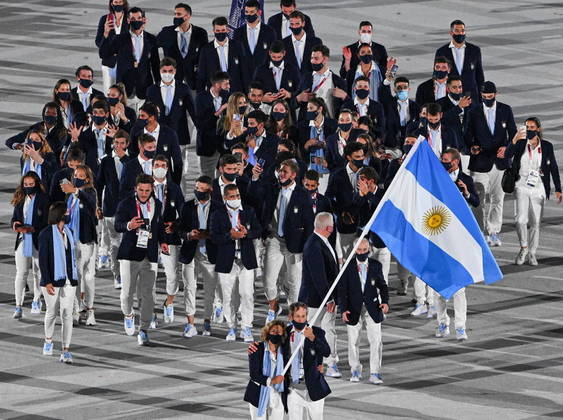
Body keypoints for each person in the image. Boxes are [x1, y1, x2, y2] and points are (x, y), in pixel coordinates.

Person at [249, 159, 314, 323]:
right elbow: (254, 197)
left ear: (294, 174)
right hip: (275, 240)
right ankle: (273, 306)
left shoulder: (302, 194)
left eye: (285, 171)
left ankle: (294, 316)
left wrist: (306, 249)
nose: (281, 174)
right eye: (280, 171)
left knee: (295, 282)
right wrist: (255, 178)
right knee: (268, 280)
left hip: (295, 245)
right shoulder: (272, 189)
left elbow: (309, 223)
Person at [431, 148, 481, 341]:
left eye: (445, 160)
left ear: (455, 162)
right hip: (440, 237)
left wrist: (466, 193)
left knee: (459, 288)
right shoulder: (436, 179)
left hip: (459, 239)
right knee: (439, 286)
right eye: (442, 159)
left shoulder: (465, 179)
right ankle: (442, 323)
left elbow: (476, 202)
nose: (442, 163)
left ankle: (461, 326)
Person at [114, 174, 167, 345]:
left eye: (147, 190)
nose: (144, 193)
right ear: (135, 189)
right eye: (141, 190)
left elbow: (159, 227)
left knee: (148, 295)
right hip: (129, 254)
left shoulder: (157, 205)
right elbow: (118, 225)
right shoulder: (126, 204)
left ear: (152, 189)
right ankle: (128, 314)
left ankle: (143, 329)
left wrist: (163, 242)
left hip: (149, 255)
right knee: (127, 293)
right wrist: (130, 225)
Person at [464, 81, 516, 246]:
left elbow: (514, 135)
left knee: (497, 199)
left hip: (500, 163)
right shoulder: (473, 112)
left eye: (490, 97)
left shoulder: (505, 110)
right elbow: (466, 135)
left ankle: (493, 232)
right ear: (481, 96)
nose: (487, 99)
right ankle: (479, 232)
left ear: (496, 94)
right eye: (484, 97)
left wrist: (507, 149)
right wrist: (471, 148)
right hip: (480, 162)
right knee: (478, 199)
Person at [506, 118, 562, 266]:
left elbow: (554, 168)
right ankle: (523, 248)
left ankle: (532, 253)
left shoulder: (547, 146)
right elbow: (507, 155)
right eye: (527, 127)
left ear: (538, 129)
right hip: (521, 184)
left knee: (536, 222)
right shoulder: (519, 144)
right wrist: (514, 139)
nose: (529, 129)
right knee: (520, 220)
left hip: (538, 186)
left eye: (532, 127)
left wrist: (558, 189)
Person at [210, 184, 262, 341]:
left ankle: (246, 327)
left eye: (237, 195)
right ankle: (231, 327)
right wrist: (230, 236)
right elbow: (214, 237)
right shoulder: (217, 214)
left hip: (245, 260)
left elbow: (259, 230)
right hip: (227, 261)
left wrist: (247, 233)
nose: (235, 199)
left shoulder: (249, 211)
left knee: (247, 294)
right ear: (225, 198)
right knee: (228, 296)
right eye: (232, 196)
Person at [339, 237, 389, 384]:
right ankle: (355, 369)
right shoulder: (347, 267)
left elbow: (383, 286)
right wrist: (343, 309)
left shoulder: (375, 265)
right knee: (353, 341)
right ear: (354, 251)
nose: (361, 253)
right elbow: (342, 290)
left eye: (364, 250)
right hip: (353, 309)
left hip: (373, 308)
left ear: (369, 250)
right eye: (358, 250)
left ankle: (375, 372)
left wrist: (385, 302)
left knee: (376, 341)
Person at [298, 212, 340, 377]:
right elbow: (318, 276)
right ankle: (303, 365)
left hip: (325, 298)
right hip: (315, 300)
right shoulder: (314, 245)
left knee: (329, 330)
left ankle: (331, 364)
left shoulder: (321, 241)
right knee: (309, 333)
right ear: (329, 227)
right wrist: (328, 298)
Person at [38, 202, 79, 363]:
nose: (68, 214)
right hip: (52, 281)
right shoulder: (46, 234)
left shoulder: (69, 232)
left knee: (67, 314)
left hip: (69, 280)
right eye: (66, 212)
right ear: (59, 214)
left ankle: (66, 349)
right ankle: (48, 340)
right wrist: (47, 281)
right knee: (51, 312)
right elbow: (43, 260)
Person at [178, 176, 219, 336]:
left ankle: (207, 322)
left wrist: (208, 235)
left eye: (202, 189)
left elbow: (222, 231)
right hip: (190, 253)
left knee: (210, 290)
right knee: (189, 288)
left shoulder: (218, 207)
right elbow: (180, 228)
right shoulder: (187, 206)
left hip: (210, 255)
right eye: (196, 187)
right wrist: (189, 235)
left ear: (210, 190)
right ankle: (190, 324)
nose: (198, 191)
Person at [98, 6, 160, 107]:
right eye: (133, 19)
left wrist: (158, 88)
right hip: (124, 90)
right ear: (127, 20)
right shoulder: (119, 39)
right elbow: (103, 54)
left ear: (143, 20)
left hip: (145, 88)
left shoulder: (151, 39)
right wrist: (106, 33)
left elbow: (155, 65)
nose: (136, 21)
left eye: (139, 18)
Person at [61, 165, 98, 326]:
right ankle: (76, 309)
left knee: (88, 277)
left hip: (86, 241)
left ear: (87, 179)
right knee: (75, 277)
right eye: (75, 174)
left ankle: (90, 310)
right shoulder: (69, 196)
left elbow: (90, 205)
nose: (77, 177)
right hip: (71, 240)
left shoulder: (90, 193)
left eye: (81, 175)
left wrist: (75, 191)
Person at [11, 172, 49, 319]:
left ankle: (37, 299)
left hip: (38, 240)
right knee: (21, 273)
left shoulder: (44, 200)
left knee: (38, 272)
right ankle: (18, 305)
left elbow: (46, 221)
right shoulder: (21, 199)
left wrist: (34, 229)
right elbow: (15, 218)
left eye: (31, 185)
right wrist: (16, 225)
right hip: (22, 239)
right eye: (25, 185)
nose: (28, 188)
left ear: (37, 184)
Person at [96, 130, 132, 288]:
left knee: (128, 242)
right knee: (115, 242)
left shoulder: (132, 161)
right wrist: (98, 206)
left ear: (127, 144)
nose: (118, 146)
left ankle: (127, 273)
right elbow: (99, 185)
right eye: (116, 143)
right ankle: (117, 274)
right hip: (110, 208)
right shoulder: (106, 161)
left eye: (122, 143)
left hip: (128, 209)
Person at [152, 156, 185, 324]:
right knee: (149, 275)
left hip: (169, 236)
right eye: (157, 165)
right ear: (151, 167)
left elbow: (183, 212)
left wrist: (175, 225)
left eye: (163, 165)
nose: (160, 168)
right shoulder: (144, 186)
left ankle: (169, 302)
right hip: (149, 237)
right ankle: (150, 311)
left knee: (172, 274)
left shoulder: (174, 188)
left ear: (167, 169)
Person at [285, 302, 331, 419]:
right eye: (297, 316)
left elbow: (326, 351)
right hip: (292, 389)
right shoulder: (284, 333)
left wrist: (312, 337)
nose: (301, 320)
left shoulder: (316, 332)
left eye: (303, 316)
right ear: (291, 317)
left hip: (313, 388)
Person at [145, 57, 196, 156]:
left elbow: (193, 112)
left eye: (170, 71)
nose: (167, 73)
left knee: (179, 163)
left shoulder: (184, 89)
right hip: (159, 133)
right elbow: (146, 112)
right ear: (160, 71)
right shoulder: (152, 90)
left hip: (179, 132)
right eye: (164, 71)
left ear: (175, 71)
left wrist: (201, 130)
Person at [156, 3, 208, 93]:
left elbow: (205, 56)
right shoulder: (167, 32)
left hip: (194, 81)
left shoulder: (200, 33)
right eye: (175, 14)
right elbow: (152, 45)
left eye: (179, 14)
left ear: (187, 16)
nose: (176, 17)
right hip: (172, 81)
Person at [325, 142, 366, 254]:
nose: (361, 159)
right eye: (357, 157)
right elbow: (328, 197)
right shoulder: (337, 175)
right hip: (346, 226)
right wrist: (341, 214)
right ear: (348, 157)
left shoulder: (369, 171)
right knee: (348, 258)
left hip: (366, 222)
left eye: (362, 156)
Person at [129, 102, 183, 185]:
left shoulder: (169, 133)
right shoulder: (136, 131)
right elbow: (132, 154)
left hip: (163, 179)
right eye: (139, 115)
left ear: (152, 117)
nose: (139, 118)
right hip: (140, 180)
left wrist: (175, 183)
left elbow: (177, 160)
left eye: (142, 116)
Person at [244, 320, 288, 420]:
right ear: (267, 332)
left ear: (283, 334)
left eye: (279, 332)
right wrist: (272, 381)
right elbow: (254, 374)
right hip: (258, 395)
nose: (276, 334)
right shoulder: (257, 348)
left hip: (278, 396)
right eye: (273, 331)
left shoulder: (286, 351)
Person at [434, 20, 484, 103]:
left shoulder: (475, 50)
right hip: (450, 96)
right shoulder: (442, 51)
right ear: (451, 33)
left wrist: (481, 99)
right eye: (457, 31)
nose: (460, 33)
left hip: (471, 96)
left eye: (462, 31)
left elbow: (479, 75)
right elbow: (436, 76)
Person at [295, 44, 347, 120]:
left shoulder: (339, 82)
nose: (313, 61)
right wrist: (299, 98)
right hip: (308, 125)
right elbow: (293, 104)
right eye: (312, 58)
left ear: (325, 59)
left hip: (329, 126)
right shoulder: (305, 78)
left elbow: (346, 106)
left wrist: (344, 96)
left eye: (316, 58)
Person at [196, 16, 247, 93]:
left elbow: (244, 70)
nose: (220, 33)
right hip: (215, 92)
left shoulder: (237, 46)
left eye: (223, 30)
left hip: (235, 91)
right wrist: (200, 95)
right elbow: (202, 74)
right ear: (213, 30)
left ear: (227, 30)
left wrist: (246, 93)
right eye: (218, 30)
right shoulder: (206, 49)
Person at [194, 71, 230, 178]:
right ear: (217, 85)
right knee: (206, 178)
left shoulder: (228, 97)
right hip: (207, 144)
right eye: (226, 84)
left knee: (224, 179)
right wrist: (219, 112)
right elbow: (200, 124)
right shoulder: (201, 98)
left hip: (224, 146)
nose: (229, 86)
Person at [233, 0, 276, 86]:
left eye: (252, 12)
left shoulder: (269, 32)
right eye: (246, 12)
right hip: (243, 80)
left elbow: (273, 55)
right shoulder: (238, 33)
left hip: (264, 80)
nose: (249, 15)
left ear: (259, 12)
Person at [96, 0, 130, 93]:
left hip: (125, 63)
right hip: (109, 62)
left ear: (124, 3)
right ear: (111, 3)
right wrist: (106, 33)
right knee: (109, 92)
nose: (118, 4)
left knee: (125, 92)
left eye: (120, 2)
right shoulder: (105, 19)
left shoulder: (130, 18)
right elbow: (98, 41)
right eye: (116, 2)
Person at [341, 76, 386, 141]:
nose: (362, 89)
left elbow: (382, 128)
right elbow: (342, 127)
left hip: (371, 142)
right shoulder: (346, 106)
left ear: (369, 89)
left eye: (365, 87)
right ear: (355, 88)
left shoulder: (377, 106)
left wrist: (369, 127)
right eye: (360, 86)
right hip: (351, 142)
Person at [380, 76, 420, 149]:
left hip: (409, 143)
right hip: (391, 143)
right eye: (399, 88)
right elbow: (382, 92)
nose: (402, 90)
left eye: (405, 87)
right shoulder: (388, 104)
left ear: (409, 89)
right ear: (394, 90)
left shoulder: (416, 106)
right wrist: (388, 80)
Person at [119, 133, 157, 198]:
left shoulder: (160, 164)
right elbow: (123, 192)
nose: (153, 150)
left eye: (154, 147)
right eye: (149, 147)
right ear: (141, 147)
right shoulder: (129, 167)